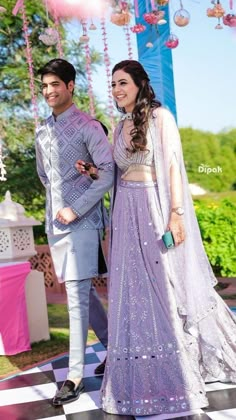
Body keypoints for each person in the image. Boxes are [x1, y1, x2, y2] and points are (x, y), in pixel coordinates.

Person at [98, 60, 236, 417]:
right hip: (124, 213)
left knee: (167, 283)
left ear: (141, 84)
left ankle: (182, 360)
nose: (116, 90)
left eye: (123, 82)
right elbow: (116, 172)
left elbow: (173, 166)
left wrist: (175, 213)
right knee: (133, 289)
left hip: (153, 208)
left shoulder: (161, 118)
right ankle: (140, 366)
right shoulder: (118, 126)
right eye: (112, 84)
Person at [35, 58, 113, 406]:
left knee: (77, 298)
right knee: (80, 292)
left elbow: (108, 173)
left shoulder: (88, 127)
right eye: (45, 86)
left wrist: (75, 207)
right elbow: (44, 176)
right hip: (55, 224)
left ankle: (75, 376)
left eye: (55, 84)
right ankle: (116, 347)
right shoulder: (41, 132)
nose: (49, 91)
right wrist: (55, 209)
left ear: (70, 86)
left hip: (82, 221)